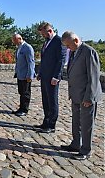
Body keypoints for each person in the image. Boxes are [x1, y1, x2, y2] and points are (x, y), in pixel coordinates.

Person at [60, 31, 102, 160]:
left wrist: (89, 97)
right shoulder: (74, 51)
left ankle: (85, 150)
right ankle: (76, 144)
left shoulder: (89, 52)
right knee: (76, 122)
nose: (67, 48)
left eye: (68, 45)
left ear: (76, 41)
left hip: (86, 96)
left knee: (86, 124)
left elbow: (94, 76)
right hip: (76, 94)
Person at [35, 22, 66, 133]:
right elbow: (44, 59)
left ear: (49, 31)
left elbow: (61, 60)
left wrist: (56, 76)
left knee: (52, 101)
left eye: (43, 33)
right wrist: (40, 73)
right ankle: (46, 122)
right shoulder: (47, 42)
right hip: (45, 76)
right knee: (45, 100)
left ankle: (51, 125)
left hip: (53, 77)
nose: (42, 36)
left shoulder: (59, 41)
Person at [11, 34, 35, 116]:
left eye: (14, 40)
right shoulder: (19, 47)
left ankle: (24, 109)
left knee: (26, 93)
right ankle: (21, 108)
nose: (13, 42)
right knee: (21, 92)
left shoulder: (27, 47)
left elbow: (31, 62)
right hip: (20, 74)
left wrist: (30, 75)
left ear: (19, 39)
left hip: (26, 75)